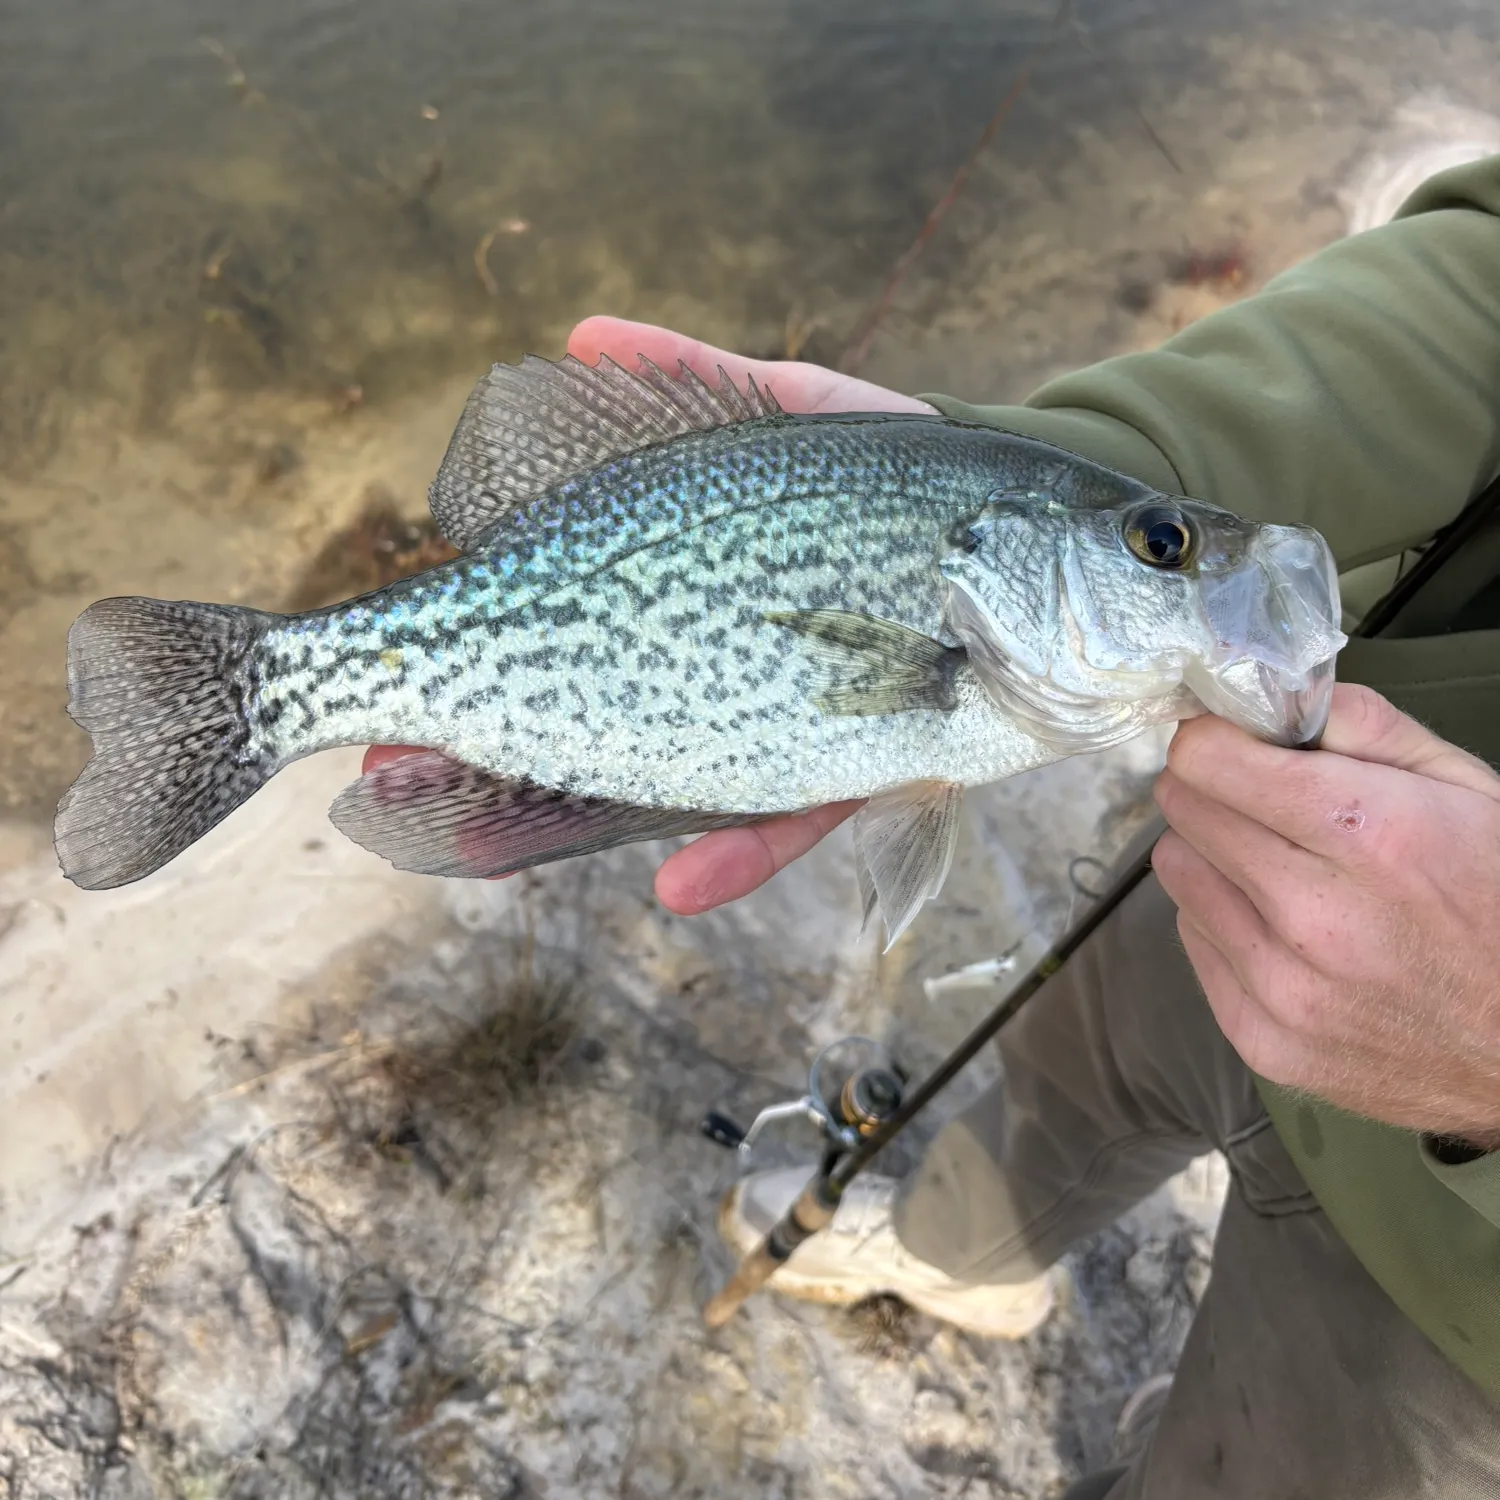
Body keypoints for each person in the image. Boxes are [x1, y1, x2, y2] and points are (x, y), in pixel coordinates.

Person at [370, 154, 1500, 1494]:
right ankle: (961, 1254)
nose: (1193, 565)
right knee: (1074, 1058)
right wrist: (1121, 465)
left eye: (1158, 549)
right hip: (1285, 854)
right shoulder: (1048, 660)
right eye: (1161, 548)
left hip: (1445, 1311)